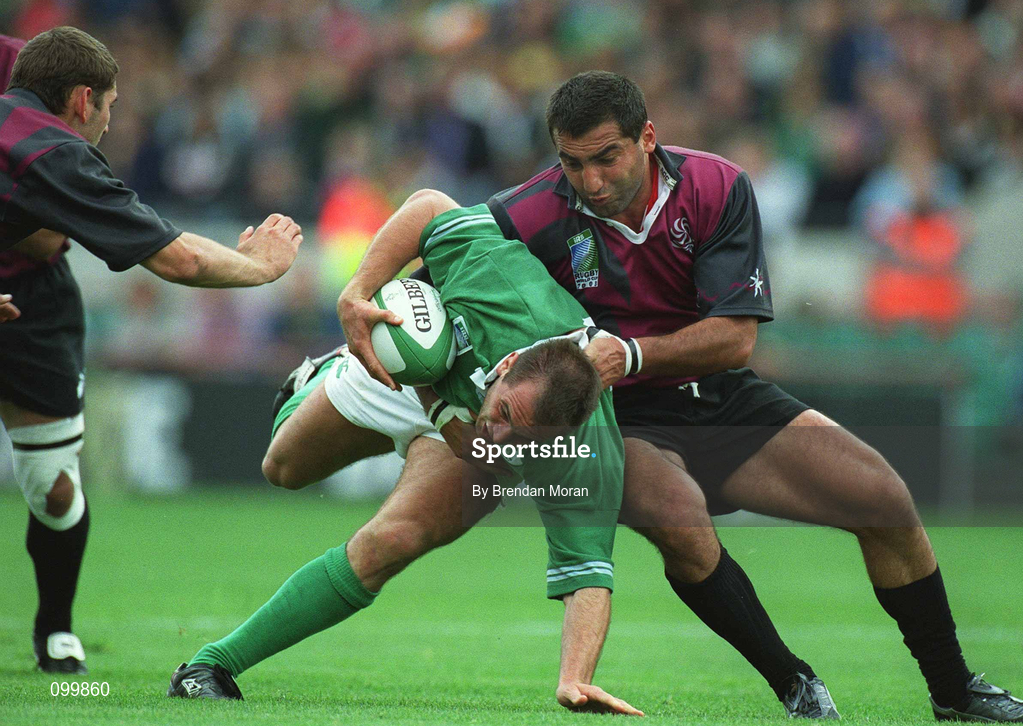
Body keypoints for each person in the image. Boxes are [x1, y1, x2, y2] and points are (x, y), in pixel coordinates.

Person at [476, 70, 1019, 723]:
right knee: (681, 520)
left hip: (718, 395)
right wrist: (369, 299)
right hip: (621, 419)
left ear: (646, 138)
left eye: (605, 158)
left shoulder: (715, 186)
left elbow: (733, 341)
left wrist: (631, 354)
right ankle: (793, 682)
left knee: (884, 500)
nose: (589, 181)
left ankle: (952, 692)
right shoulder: (529, 209)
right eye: (571, 163)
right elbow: (438, 241)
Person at [168, 190, 643, 716]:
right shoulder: (499, 284)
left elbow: (589, 574)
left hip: (460, 416)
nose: (502, 440)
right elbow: (429, 207)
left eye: (527, 444)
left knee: (392, 541)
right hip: (418, 365)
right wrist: (358, 292)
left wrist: (574, 680)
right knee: (282, 468)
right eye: (508, 418)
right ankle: (321, 372)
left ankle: (210, 666)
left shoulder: (586, 451)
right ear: (507, 364)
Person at [0, 27, 304, 675]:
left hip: (31, 309)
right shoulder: (55, 153)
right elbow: (180, 258)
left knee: (53, 490)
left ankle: (54, 630)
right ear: (84, 100)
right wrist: (262, 268)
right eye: (109, 107)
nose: (110, 125)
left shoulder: (20, 63)